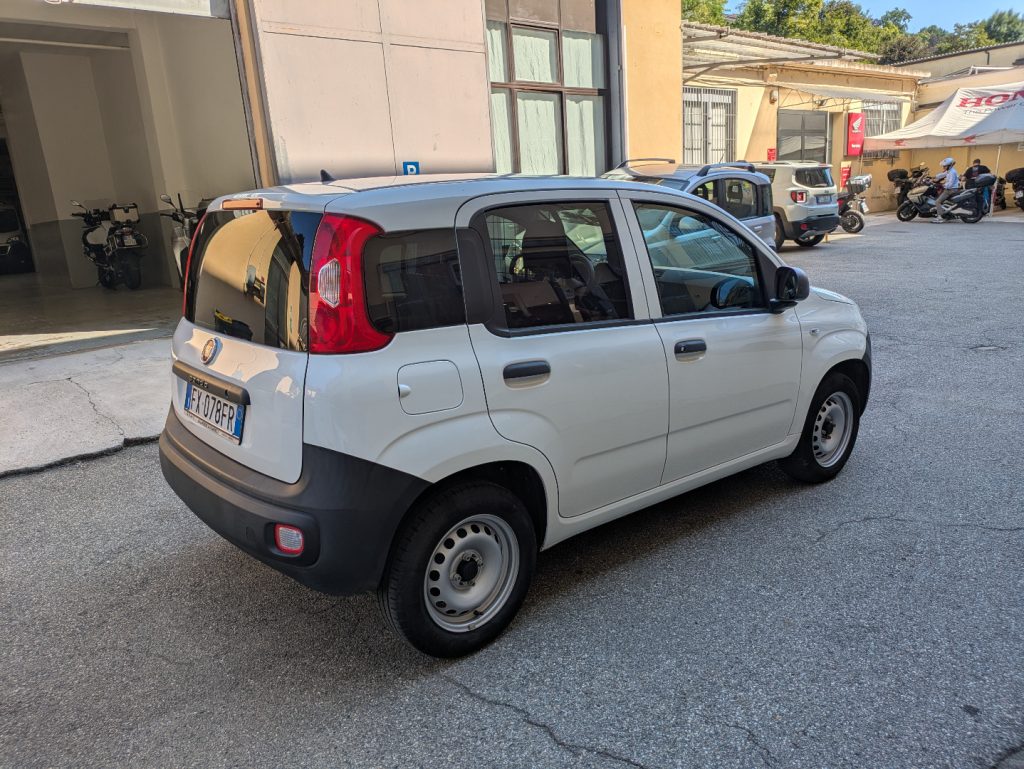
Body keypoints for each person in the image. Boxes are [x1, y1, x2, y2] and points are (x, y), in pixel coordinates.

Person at [932, 157, 960, 222]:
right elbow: (942, 175)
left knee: (937, 202)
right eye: (943, 166)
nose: (943, 167)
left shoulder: (952, 172)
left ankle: (940, 217)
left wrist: (942, 185)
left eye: (945, 166)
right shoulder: (949, 171)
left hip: (950, 190)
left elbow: (950, 184)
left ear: (949, 165)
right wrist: (933, 177)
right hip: (950, 189)